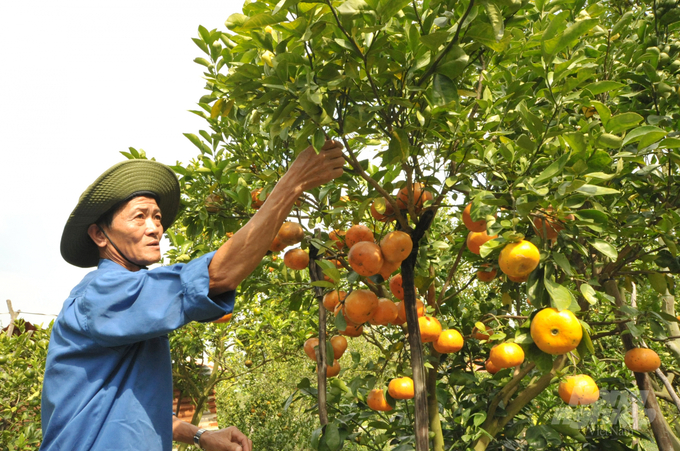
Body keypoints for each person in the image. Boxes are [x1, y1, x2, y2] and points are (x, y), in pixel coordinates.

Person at [40, 140, 345, 451]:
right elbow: (219, 274)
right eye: (139, 217)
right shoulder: (103, 294)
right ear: (99, 235)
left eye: (157, 217)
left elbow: (134, 409)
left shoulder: (136, 302)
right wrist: (293, 183)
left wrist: (200, 435)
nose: (155, 228)